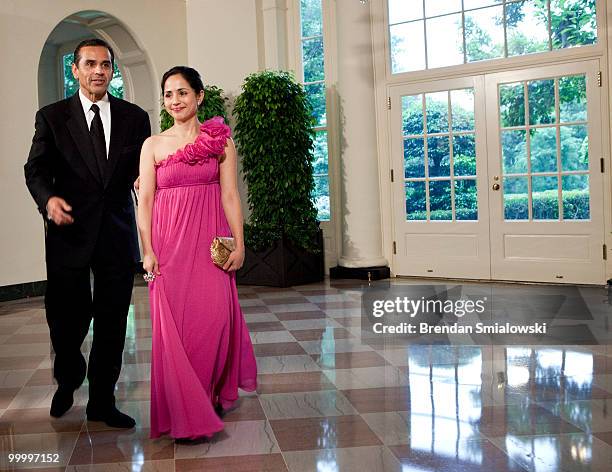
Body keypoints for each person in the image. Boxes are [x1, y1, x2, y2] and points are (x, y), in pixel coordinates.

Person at [24, 38, 151, 428]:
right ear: (75, 70)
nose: (99, 70)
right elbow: (36, 170)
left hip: (116, 234)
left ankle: (101, 401)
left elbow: (141, 175)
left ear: (112, 70)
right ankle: (68, 379)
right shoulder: (52, 116)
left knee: (112, 323)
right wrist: (48, 201)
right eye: (90, 64)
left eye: (105, 64)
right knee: (66, 321)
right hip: (69, 234)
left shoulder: (134, 117)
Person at [137, 66, 257, 440]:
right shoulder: (152, 145)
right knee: (178, 331)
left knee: (215, 322)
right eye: (168, 94)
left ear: (199, 96)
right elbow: (144, 202)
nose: (175, 101)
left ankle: (207, 392)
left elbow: (230, 194)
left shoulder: (220, 141)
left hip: (209, 244)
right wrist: (147, 250)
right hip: (168, 248)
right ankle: (189, 411)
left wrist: (239, 242)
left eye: (183, 93)